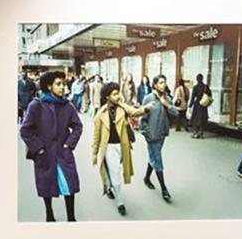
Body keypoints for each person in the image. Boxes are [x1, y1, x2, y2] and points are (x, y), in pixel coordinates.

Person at [19, 70, 82, 222]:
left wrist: (69, 144)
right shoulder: (37, 105)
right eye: (58, 84)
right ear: (49, 86)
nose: (62, 87)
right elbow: (25, 129)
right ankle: (49, 213)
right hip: (45, 154)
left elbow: (78, 126)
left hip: (63, 153)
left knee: (69, 185)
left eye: (64, 84)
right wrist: (38, 148)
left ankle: (71, 217)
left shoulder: (67, 106)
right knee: (46, 185)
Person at [90, 82, 150, 216]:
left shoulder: (122, 108)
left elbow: (135, 111)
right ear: (107, 96)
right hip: (109, 148)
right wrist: (94, 153)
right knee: (115, 172)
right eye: (115, 94)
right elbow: (96, 136)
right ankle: (120, 202)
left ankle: (111, 188)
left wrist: (146, 108)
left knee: (117, 170)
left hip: (123, 146)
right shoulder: (100, 114)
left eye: (118, 93)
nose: (118, 96)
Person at [140, 74, 176, 202]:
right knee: (158, 160)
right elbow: (142, 119)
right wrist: (147, 133)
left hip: (162, 134)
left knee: (154, 157)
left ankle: (146, 178)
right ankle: (164, 189)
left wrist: (166, 105)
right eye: (160, 82)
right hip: (152, 136)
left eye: (164, 82)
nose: (163, 85)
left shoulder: (167, 98)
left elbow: (175, 113)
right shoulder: (148, 98)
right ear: (154, 85)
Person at [189, 74, 211, 138]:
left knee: (195, 118)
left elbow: (193, 97)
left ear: (197, 79)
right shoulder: (206, 86)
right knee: (202, 118)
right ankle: (201, 133)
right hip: (203, 104)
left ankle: (195, 132)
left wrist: (190, 105)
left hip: (197, 104)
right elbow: (210, 94)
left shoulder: (195, 87)